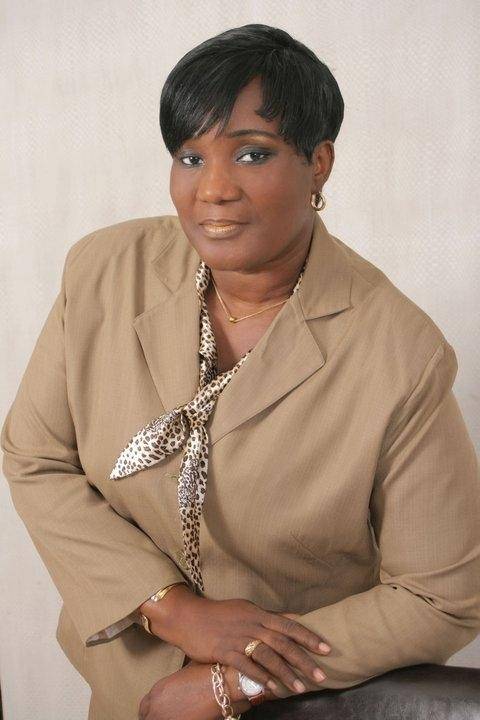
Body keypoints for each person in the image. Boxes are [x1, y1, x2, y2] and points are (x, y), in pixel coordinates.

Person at [2, 22, 479, 720]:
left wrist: (234, 682)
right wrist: (171, 609)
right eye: (190, 157)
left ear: (319, 163)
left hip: (299, 704)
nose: (213, 189)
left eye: (253, 153)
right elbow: (35, 456)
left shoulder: (401, 352)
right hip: (133, 696)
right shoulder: (103, 272)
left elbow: (439, 597)